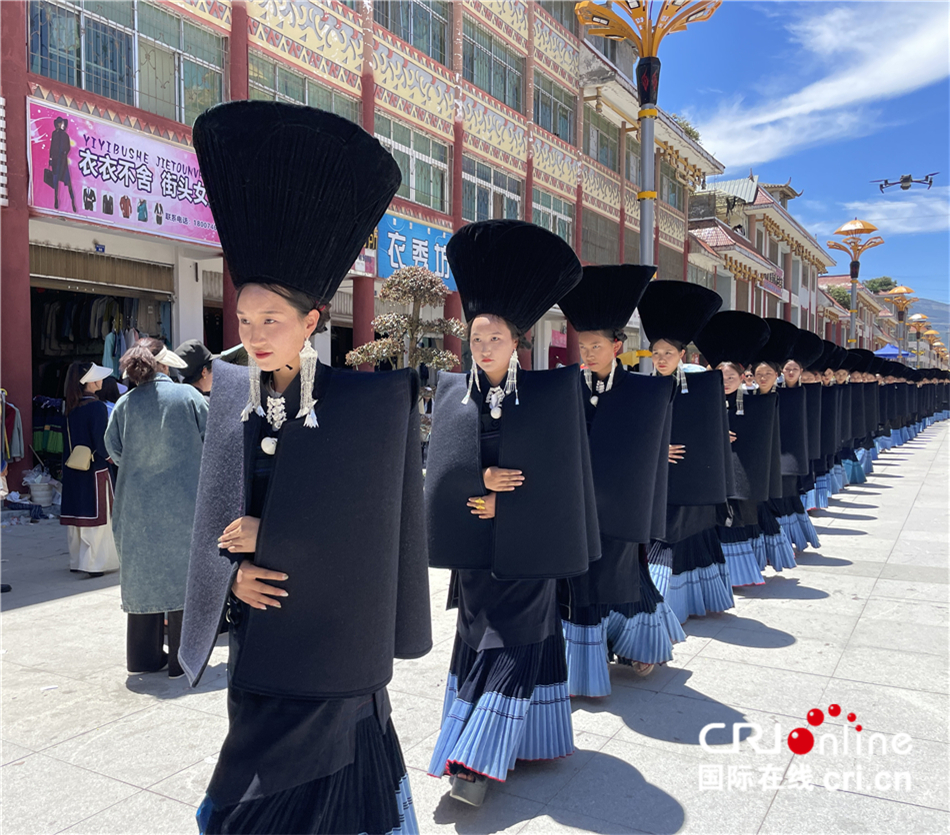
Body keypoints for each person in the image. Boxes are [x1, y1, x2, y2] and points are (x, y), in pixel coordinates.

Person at [180, 101, 431, 835]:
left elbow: (370, 536)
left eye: (273, 321)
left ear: (313, 322)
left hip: (331, 650)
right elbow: (213, 527)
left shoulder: (364, 407)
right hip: (258, 647)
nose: (253, 336)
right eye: (244, 318)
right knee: (240, 796)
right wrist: (233, 576)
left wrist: (277, 533)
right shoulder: (231, 396)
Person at [424, 219, 599, 806]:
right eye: (475, 337)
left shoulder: (551, 395)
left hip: (531, 548)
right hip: (475, 550)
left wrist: (510, 495)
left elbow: (565, 474)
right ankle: (511, 740)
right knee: (477, 636)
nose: (482, 346)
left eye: (494, 337)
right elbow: (441, 473)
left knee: (518, 637)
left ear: (518, 340)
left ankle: (472, 759)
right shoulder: (453, 395)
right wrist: (481, 482)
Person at [556, 264, 683, 694]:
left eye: (595, 345)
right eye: (582, 346)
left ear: (617, 345)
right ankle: (586, 663)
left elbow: (652, 451)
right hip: (576, 505)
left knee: (625, 575)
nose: (587, 354)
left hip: (623, 506)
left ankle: (639, 644)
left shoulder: (644, 392)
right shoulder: (565, 389)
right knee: (581, 583)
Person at [105, 338, 206, 678]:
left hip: (136, 505)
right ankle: (182, 660)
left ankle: (143, 658)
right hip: (183, 502)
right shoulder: (189, 397)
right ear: (165, 364)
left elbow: (114, 449)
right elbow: (212, 439)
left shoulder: (124, 404)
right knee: (181, 577)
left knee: (142, 577)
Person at [639, 281, 733, 624]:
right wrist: (656, 450)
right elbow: (632, 435)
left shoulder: (702, 390)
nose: (661, 358)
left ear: (682, 355)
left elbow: (712, 437)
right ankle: (662, 607)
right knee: (662, 539)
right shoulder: (642, 389)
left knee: (687, 536)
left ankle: (686, 601)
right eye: (656, 352)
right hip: (655, 482)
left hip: (691, 482)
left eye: (668, 353)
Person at [694, 311, 772, 587]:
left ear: (742, 377)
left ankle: (739, 572)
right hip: (708, 471)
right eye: (719, 376)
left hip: (739, 472)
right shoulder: (698, 403)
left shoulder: (754, 403)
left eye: (730, 377)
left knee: (735, 520)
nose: (725, 381)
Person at [60, 362, 120, 578]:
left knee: (77, 517)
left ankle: (77, 560)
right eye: (98, 377)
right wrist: (114, 459)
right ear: (90, 382)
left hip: (73, 467)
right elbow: (102, 442)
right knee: (98, 518)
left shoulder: (69, 407)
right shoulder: (96, 407)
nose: (101, 381)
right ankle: (94, 563)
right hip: (95, 468)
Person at [49, 116, 77, 212]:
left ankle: (73, 202)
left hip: (63, 161)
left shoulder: (65, 136)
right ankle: (56, 200)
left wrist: (64, 152)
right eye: (60, 123)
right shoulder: (54, 134)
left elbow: (68, 147)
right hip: (56, 161)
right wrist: (51, 158)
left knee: (68, 182)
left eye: (62, 123)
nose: (61, 125)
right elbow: (52, 147)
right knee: (55, 181)